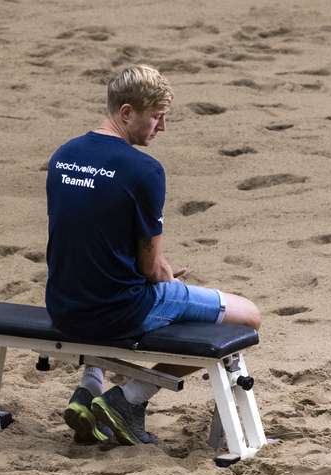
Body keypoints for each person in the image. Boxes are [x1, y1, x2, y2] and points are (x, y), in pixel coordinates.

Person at [44, 64, 261, 446]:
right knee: (245, 318)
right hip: (118, 312)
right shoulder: (143, 170)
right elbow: (150, 267)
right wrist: (168, 277)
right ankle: (129, 398)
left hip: (64, 305)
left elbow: (86, 238)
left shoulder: (64, 156)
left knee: (101, 277)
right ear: (127, 113)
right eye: (157, 117)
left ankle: (90, 386)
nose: (161, 128)